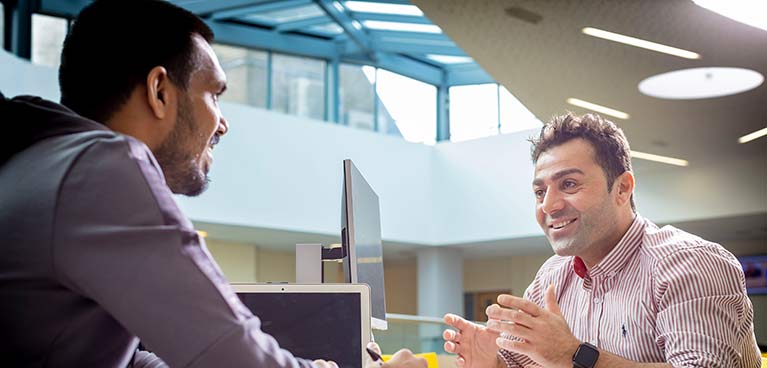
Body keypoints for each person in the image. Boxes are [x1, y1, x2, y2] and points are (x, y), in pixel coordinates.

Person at [0, 1, 426, 367]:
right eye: (215, 94)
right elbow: (228, 353)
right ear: (159, 90)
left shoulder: (39, 164)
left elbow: (126, 359)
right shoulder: (103, 168)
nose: (223, 122)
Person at [442, 113, 761, 367]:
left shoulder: (690, 264)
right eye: (540, 192)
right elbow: (522, 362)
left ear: (622, 188)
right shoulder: (551, 277)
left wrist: (574, 355)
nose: (548, 206)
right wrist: (492, 362)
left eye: (568, 184)